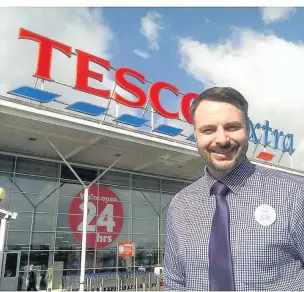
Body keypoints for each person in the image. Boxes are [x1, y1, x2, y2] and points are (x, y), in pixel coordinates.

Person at [163, 87, 304, 291]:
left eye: (231, 127)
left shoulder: (294, 195)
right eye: (208, 130)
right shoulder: (180, 205)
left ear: (247, 129)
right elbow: (174, 282)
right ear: (196, 134)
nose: (221, 139)